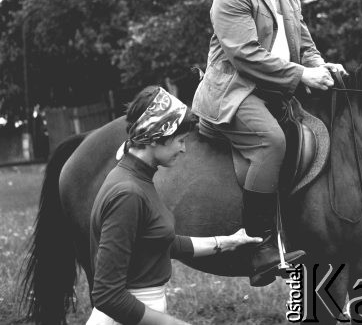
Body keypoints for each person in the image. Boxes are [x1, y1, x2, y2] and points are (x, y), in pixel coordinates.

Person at [192, 0, 347, 286]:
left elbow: (305, 44)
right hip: (235, 92)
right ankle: (259, 247)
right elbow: (245, 56)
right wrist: (301, 74)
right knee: (271, 140)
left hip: (275, 92)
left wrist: (322, 66)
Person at [87, 85, 261, 325]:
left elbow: (162, 243)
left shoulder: (139, 180)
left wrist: (227, 242)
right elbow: (107, 295)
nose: (184, 148)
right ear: (155, 138)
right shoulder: (127, 194)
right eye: (180, 140)